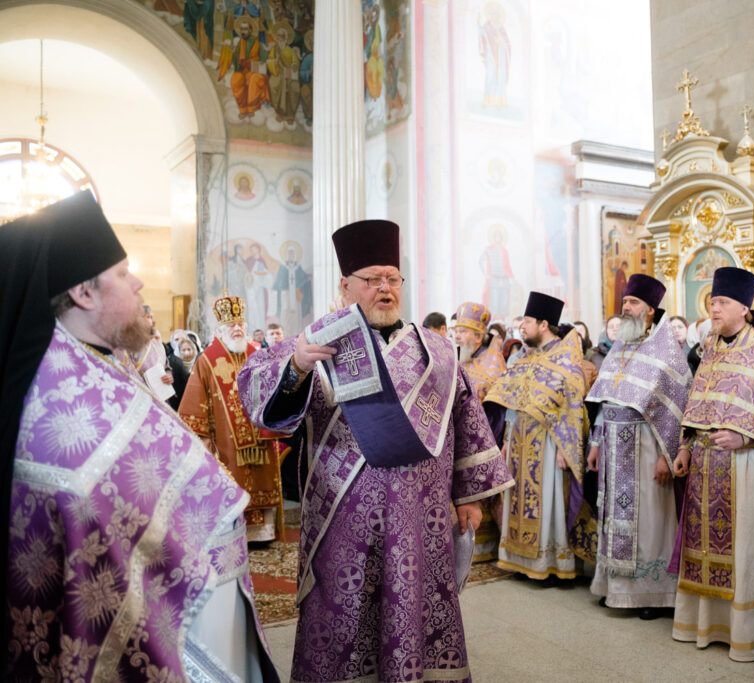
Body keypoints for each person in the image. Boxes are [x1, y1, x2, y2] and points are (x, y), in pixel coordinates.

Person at [0, 192, 278, 680]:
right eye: (124, 273)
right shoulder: (72, 400)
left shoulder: (78, 367)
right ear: (84, 293)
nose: (139, 282)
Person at [238, 219, 514, 682]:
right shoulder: (316, 343)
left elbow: (465, 420)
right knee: (342, 614)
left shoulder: (438, 352)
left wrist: (468, 496)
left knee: (416, 610)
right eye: (372, 279)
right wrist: (297, 366)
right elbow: (257, 394)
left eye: (392, 278)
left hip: (422, 517)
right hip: (341, 519)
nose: (385, 288)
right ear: (345, 285)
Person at [670, 267, 754, 662]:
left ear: (744, 308)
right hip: (705, 464)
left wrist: (746, 437)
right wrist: (685, 447)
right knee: (702, 546)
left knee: (747, 550)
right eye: (712, 301)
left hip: (747, 465)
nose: (713, 308)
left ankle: (747, 633)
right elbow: (697, 401)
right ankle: (705, 625)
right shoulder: (712, 347)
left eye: (722, 302)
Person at [586, 274, 692, 618]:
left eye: (633, 303)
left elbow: (677, 410)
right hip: (613, 448)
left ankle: (652, 594)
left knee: (650, 522)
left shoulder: (668, 353)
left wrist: (666, 456)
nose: (626, 308)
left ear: (650, 310)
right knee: (613, 517)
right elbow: (605, 400)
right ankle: (615, 587)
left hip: (647, 449)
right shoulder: (620, 347)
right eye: (625, 302)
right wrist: (596, 442)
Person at [486, 292, 593, 583]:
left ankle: (551, 564)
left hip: (549, 442)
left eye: (527, 321)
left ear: (544, 324)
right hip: (520, 440)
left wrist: (565, 447)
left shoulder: (566, 359)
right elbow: (513, 401)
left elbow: (572, 407)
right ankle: (519, 561)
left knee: (548, 500)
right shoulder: (527, 358)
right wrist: (507, 438)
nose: (522, 327)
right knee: (518, 498)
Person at [179, 296, 286, 543]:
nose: (237, 328)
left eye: (240, 324)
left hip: (260, 436)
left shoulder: (257, 354)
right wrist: (204, 437)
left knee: (261, 479)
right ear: (220, 330)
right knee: (232, 482)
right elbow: (195, 401)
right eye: (231, 325)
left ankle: (263, 534)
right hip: (225, 440)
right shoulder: (207, 359)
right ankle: (237, 534)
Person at [453, 300, 508, 561]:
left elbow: (495, 404)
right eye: (455, 330)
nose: (457, 336)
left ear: (478, 336)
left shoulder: (493, 361)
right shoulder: (458, 358)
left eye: (463, 331)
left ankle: (484, 546)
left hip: (484, 437)